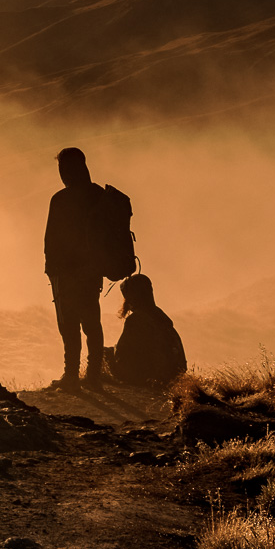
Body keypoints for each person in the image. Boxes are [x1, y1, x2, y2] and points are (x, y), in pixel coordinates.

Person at [44, 146, 113, 390]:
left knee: (69, 325)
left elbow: (51, 238)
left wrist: (50, 268)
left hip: (66, 271)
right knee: (92, 323)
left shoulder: (60, 199)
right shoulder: (98, 195)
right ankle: (93, 377)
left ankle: (71, 376)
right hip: (91, 271)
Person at [108, 273, 187, 387]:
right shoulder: (161, 316)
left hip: (148, 377)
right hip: (171, 377)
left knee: (104, 353)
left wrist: (112, 353)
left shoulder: (135, 319)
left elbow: (122, 353)